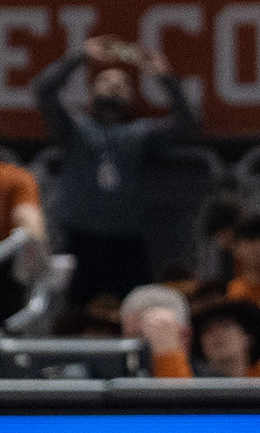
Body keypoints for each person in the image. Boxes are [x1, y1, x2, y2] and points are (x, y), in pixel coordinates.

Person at [37, 36, 205, 311]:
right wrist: (79, 56)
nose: (115, 84)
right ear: (90, 93)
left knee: (135, 308)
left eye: (124, 83)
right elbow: (45, 92)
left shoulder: (141, 133)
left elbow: (186, 122)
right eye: (105, 80)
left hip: (127, 238)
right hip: (80, 236)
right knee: (78, 310)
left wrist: (165, 77)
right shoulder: (75, 129)